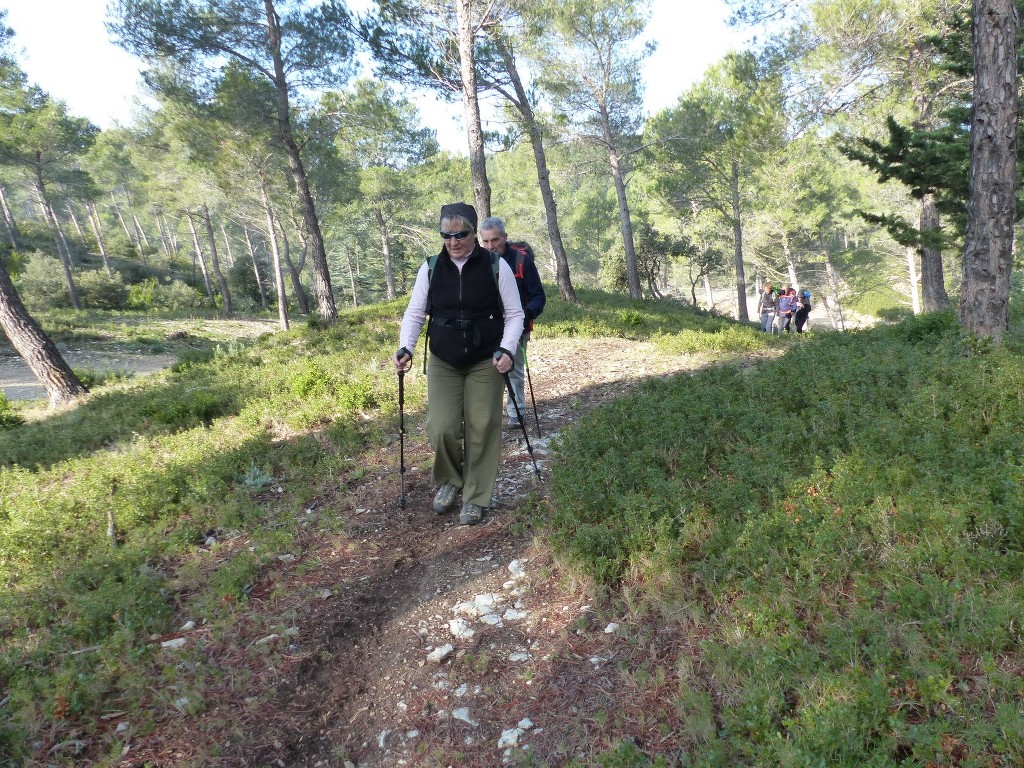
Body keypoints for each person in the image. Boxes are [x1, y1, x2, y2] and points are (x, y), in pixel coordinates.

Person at [394, 202, 525, 526]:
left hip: (486, 359)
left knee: (483, 425)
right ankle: (450, 481)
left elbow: (514, 314)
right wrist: (405, 347)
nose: (453, 241)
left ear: (472, 232)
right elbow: (415, 313)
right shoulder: (431, 267)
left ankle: (475, 496)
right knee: (441, 426)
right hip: (444, 358)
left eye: (461, 234)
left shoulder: (495, 266)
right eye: (446, 235)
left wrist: (507, 349)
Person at [479, 217, 546, 429]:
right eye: (486, 241)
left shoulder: (521, 261)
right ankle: (485, 416)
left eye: (495, 240)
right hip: (486, 326)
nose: (490, 246)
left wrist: (524, 315)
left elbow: (538, 296)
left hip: (516, 327)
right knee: (485, 371)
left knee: (514, 369)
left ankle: (516, 412)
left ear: (505, 238)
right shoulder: (477, 262)